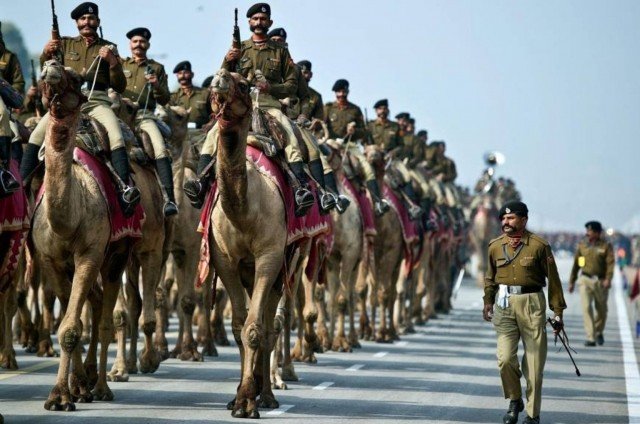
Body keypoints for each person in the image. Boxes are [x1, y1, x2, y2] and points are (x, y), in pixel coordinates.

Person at [184, 3, 316, 216]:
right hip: (240, 108)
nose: (259, 23)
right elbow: (221, 80)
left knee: (290, 137)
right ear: (249, 23)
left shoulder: (281, 51)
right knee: (211, 136)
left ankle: (301, 189)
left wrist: (270, 87)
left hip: (269, 106)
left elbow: (292, 85)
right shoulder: (240, 48)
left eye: (263, 19)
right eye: (254, 19)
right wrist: (228, 60)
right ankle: (200, 183)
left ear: (269, 23)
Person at [21, 2, 140, 212]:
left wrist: (112, 63)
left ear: (98, 22)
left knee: (116, 137)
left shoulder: (109, 46)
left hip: (97, 101)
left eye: (91, 19)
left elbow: (120, 86)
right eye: (83, 19)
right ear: (77, 23)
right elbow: (49, 73)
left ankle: (124, 191)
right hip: (67, 103)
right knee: (35, 137)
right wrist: (45, 53)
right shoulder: (65, 44)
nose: (87, 22)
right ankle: (21, 189)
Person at [483, 200, 567, 424]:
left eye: (510, 218)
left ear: (523, 219)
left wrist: (558, 312)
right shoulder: (494, 245)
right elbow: (490, 277)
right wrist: (488, 301)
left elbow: (554, 280)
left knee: (534, 364)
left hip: (532, 303)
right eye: (503, 218)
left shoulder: (539, 245)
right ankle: (515, 398)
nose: (505, 222)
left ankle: (532, 414)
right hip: (504, 304)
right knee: (505, 359)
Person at [121, 27, 177, 216]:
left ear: (148, 45)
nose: (138, 45)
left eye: (142, 42)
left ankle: (170, 199)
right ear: (130, 44)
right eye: (135, 41)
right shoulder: (120, 64)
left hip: (144, 117)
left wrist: (156, 84)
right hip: (119, 115)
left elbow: (164, 99)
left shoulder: (157, 68)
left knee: (160, 147)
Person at [324, 79, 389, 216]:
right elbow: (321, 127)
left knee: (368, 168)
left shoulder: (355, 110)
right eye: (338, 92)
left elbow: (364, 132)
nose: (341, 94)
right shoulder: (328, 108)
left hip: (351, 145)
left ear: (347, 91)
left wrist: (355, 131)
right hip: (332, 142)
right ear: (335, 93)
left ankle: (377, 202)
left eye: (343, 91)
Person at [568, 220, 614, 346]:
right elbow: (577, 264)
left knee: (602, 311)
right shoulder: (582, 245)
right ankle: (591, 337)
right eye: (587, 231)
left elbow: (610, 264)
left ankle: (599, 331)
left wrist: (608, 279)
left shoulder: (606, 246)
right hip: (585, 280)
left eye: (591, 231)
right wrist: (572, 281)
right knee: (586, 307)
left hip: (600, 281)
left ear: (598, 233)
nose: (588, 233)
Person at [0, 22, 25, 195]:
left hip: (3, 102)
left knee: (13, 131)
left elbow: (18, 85)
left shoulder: (8, 57)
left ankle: (6, 172)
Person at [170, 61, 212, 129]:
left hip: (201, 133)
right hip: (180, 134)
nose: (182, 76)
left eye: (186, 72)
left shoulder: (205, 93)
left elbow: (215, 114)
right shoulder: (172, 96)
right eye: (180, 73)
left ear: (192, 74)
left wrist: (210, 124)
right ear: (177, 76)